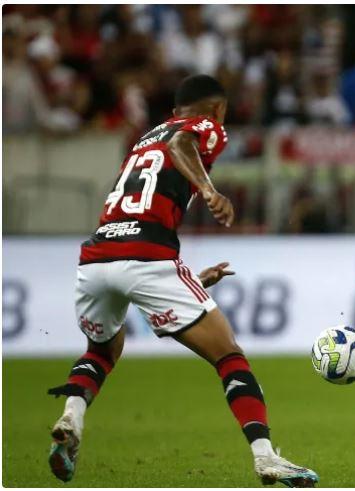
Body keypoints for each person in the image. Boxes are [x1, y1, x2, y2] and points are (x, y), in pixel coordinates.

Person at [46, 75, 319, 488]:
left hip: (97, 256)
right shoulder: (205, 126)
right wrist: (209, 191)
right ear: (218, 110)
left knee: (102, 350)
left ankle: (73, 415)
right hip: (148, 257)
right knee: (229, 356)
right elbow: (181, 146)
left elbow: (144, 201)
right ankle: (266, 457)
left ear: (174, 111)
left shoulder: (144, 138)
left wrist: (186, 277)